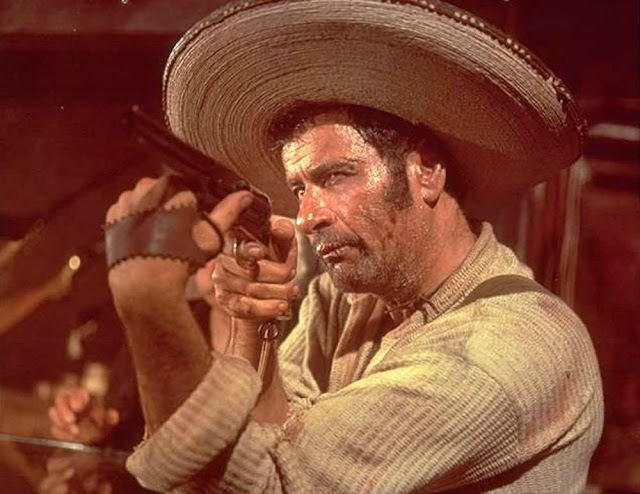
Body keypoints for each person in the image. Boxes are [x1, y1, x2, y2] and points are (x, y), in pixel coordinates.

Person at [103, 0, 603, 492]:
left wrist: (149, 302)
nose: (306, 217)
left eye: (336, 176)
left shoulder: (505, 347)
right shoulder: (346, 301)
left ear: (427, 171)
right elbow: (266, 436)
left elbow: (264, 482)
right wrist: (255, 322)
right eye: (299, 188)